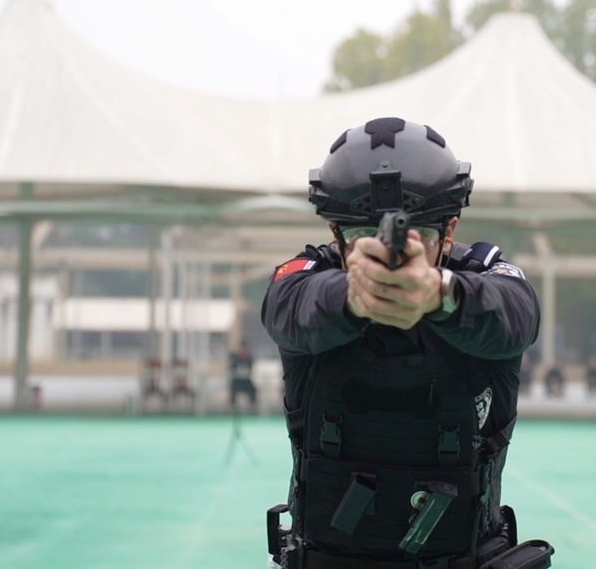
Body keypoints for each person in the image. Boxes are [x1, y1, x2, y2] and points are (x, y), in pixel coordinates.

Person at [261, 118, 553, 568]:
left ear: (449, 231)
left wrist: (441, 294)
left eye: (421, 235)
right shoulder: (308, 281)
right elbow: (287, 310)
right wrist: (354, 295)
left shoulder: (486, 279)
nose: (386, 252)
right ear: (336, 234)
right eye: (362, 237)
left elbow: (516, 315)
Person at [228, 339, 257, 411]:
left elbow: (250, 369)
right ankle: (233, 408)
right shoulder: (235, 358)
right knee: (232, 389)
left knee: (253, 390)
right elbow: (231, 368)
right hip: (237, 381)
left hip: (246, 382)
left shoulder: (249, 358)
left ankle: (252, 408)